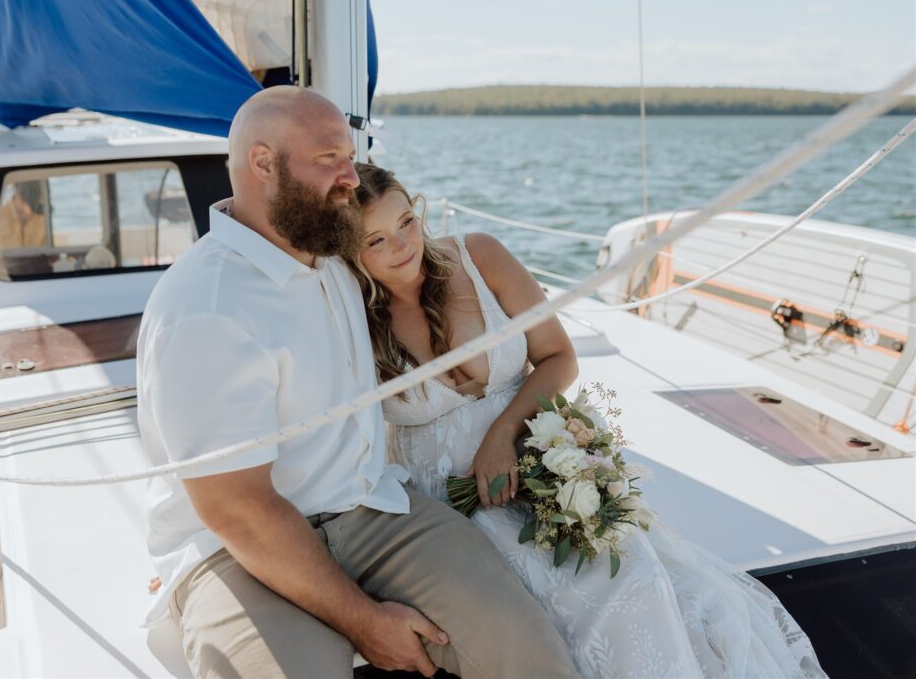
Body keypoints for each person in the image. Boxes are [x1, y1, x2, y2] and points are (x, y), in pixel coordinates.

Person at [136, 86, 579, 679]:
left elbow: (414, 254)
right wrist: (366, 623)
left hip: (373, 507)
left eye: (351, 154)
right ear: (263, 163)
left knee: (530, 656)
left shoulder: (335, 256)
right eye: (329, 159)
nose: (350, 176)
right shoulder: (206, 307)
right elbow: (237, 510)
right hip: (242, 551)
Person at [348, 163, 828, 679]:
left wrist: (503, 434)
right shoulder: (350, 316)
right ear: (350, 254)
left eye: (406, 222)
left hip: (539, 463)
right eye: (377, 240)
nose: (402, 245)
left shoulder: (479, 256)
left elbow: (558, 356)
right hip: (452, 504)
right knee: (541, 613)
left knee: (632, 579)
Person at [0, 181, 47, 249]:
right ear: (18, 195)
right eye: (29, 201)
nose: (30, 211)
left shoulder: (40, 220)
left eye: (35, 202)